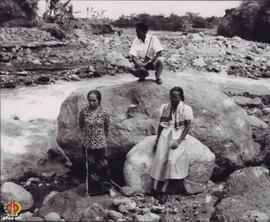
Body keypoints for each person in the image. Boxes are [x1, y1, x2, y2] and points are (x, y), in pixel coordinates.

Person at [150, 87, 193, 204]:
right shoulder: (165, 107)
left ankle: (164, 190)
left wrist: (178, 141)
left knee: (171, 160)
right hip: (166, 134)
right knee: (159, 158)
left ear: (181, 97)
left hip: (178, 136)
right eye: (171, 96)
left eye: (176, 97)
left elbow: (187, 127)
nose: (173, 99)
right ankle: (154, 188)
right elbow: (161, 125)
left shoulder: (186, 109)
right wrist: (157, 139)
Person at [79, 90, 113, 197]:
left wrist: (101, 138)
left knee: (103, 166)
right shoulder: (84, 110)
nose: (91, 103)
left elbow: (107, 128)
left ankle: (106, 189)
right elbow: (81, 124)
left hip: (100, 144)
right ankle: (92, 191)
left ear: (99, 100)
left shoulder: (104, 112)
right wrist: (87, 136)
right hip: (88, 145)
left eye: (94, 100)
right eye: (89, 100)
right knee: (90, 167)